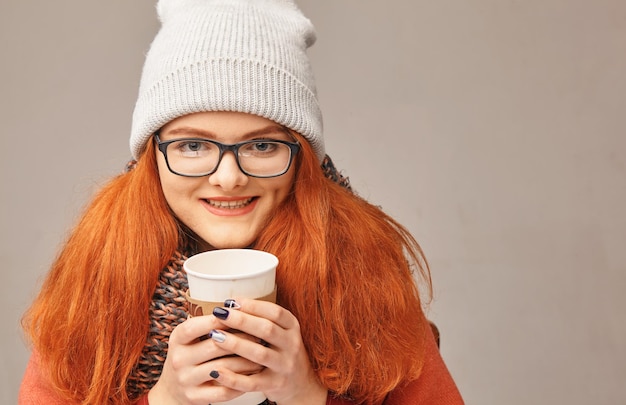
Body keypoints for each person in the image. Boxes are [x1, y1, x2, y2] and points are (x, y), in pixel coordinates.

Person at [19, 0, 464, 404]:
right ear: (151, 157)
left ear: (302, 158)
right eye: (193, 146)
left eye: (262, 147)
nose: (228, 178)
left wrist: (310, 396)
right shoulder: (95, 274)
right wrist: (165, 401)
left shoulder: (365, 270)